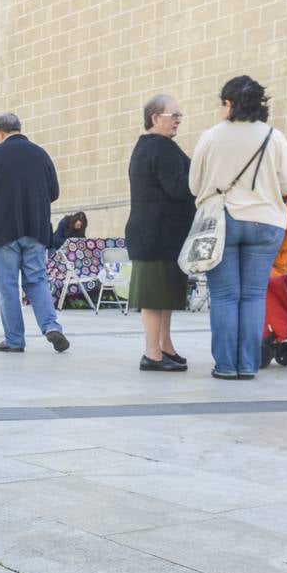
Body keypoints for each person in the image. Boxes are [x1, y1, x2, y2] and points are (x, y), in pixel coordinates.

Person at [189, 76, 287, 379]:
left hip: (222, 221)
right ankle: (249, 364)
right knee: (253, 295)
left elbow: (194, 184)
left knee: (225, 296)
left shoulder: (211, 136)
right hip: (266, 222)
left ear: (229, 103)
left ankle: (225, 365)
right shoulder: (274, 137)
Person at [0, 112, 70, 354]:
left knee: (7, 286)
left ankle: (14, 340)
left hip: (5, 230)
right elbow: (54, 192)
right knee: (37, 280)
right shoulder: (41, 154)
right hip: (36, 228)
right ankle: (50, 327)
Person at [127, 94, 196, 372]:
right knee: (154, 297)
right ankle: (153, 354)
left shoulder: (153, 146)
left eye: (180, 116)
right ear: (155, 118)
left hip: (161, 235)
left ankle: (165, 346)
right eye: (173, 116)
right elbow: (178, 187)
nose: (178, 121)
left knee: (165, 295)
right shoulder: (160, 147)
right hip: (156, 235)